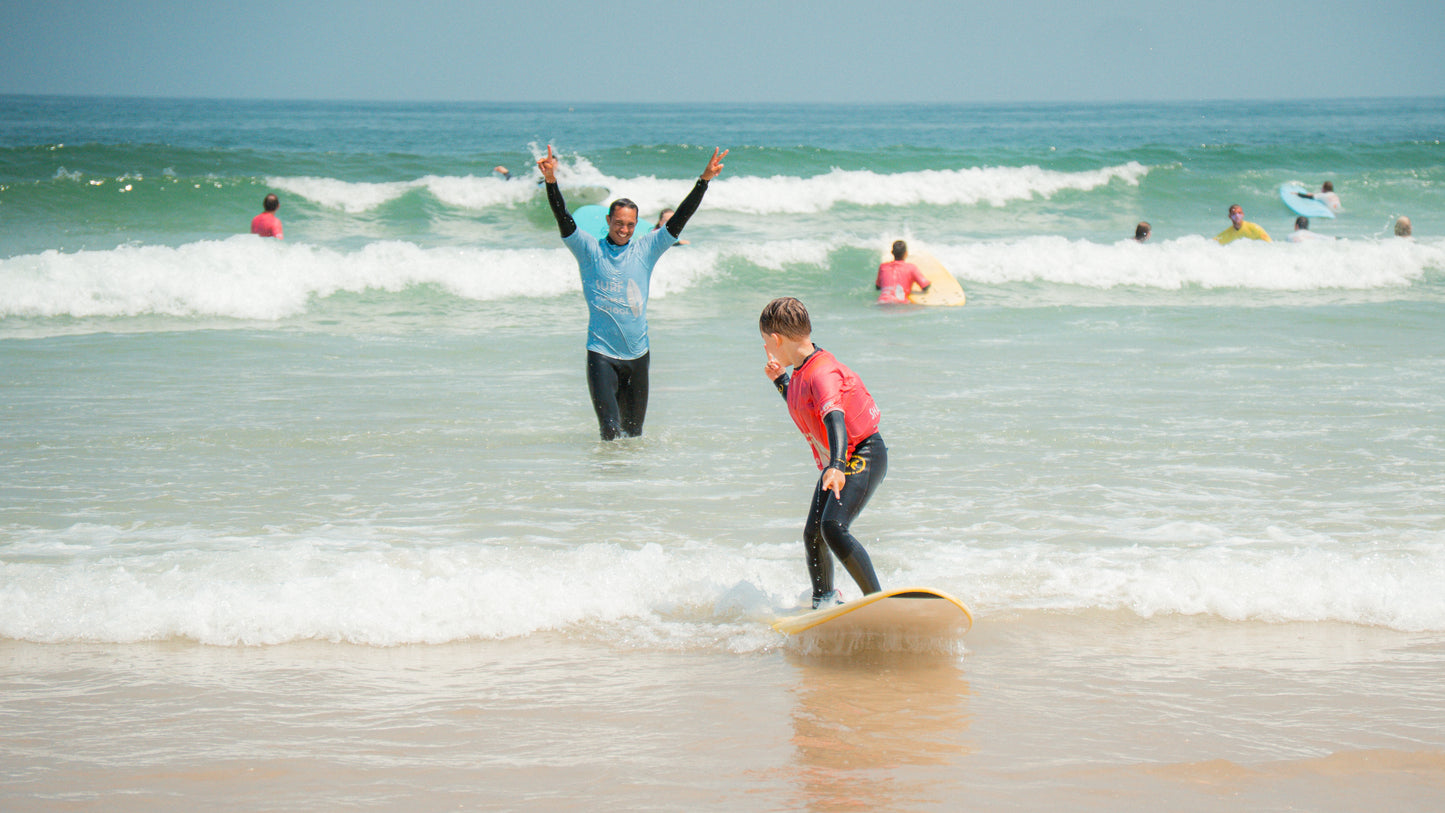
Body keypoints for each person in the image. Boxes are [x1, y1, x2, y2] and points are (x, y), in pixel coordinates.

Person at [539, 144, 727, 440]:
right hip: (601, 355)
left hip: (638, 357)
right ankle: (607, 470)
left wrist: (704, 180)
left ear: (636, 224)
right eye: (618, 223)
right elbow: (563, 216)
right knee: (610, 432)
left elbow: (680, 218)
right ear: (608, 221)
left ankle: (628, 474)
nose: (624, 229)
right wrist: (551, 181)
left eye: (629, 224)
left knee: (634, 434)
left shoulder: (646, 249)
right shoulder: (588, 250)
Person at [760, 296, 886, 609]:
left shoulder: (821, 372)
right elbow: (804, 403)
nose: (766, 348)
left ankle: (878, 602)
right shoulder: (802, 369)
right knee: (813, 534)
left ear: (777, 339)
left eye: (766, 342)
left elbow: (834, 418)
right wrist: (780, 381)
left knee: (833, 527)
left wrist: (838, 466)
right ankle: (824, 600)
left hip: (863, 454)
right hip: (841, 459)